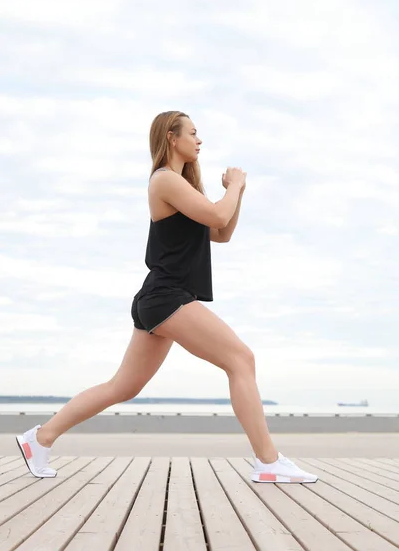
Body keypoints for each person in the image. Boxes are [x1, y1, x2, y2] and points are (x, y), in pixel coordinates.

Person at [16, 110, 318, 484]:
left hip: (159, 298)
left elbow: (221, 232)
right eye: (193, 132)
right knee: (241, 359)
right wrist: (234, 187)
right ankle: (269, 461)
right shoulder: (164, 180)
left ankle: (39, 439)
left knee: (122, 387)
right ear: (172, 139)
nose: (199, 139)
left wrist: (237, 195)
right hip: (167, 295)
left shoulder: (184, 189)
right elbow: (218, 216)